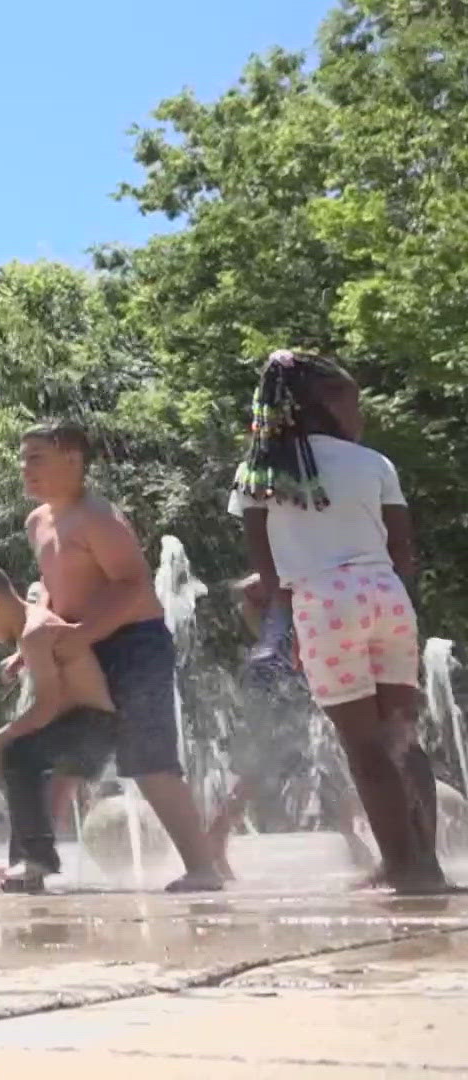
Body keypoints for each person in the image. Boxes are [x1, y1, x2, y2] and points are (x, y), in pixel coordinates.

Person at [227, 350, 446, 893]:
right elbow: (404, 553)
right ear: (317, 405)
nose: (360, 413)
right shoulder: (373, 463)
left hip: (323, 603)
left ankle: (399, 867)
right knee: (401, 737)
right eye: (351, 400)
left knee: (362, 745)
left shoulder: (259, 472)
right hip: (387, 596)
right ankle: (428, 865)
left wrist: (291, 623)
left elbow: (269, 572)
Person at [13, 420, 221, 892]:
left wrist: (83, 632)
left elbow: (133, 585)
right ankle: (34, 863)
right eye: (23, 459)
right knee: (53, 755)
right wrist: (33, 640)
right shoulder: (37, 522)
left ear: (74, 460)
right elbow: (52, 584)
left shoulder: (98, 518)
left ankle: (203, 868)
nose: (26, 469)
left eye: (37, 458)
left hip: (133, 645)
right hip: (79, 644)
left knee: (149, 760)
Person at [0, 562, 119, 894]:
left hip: (93, 728)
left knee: (17, 750)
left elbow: (46, 707)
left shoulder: (34, 632)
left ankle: (36, 859)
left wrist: (0, 735)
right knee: (20, 760)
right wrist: (22, 658)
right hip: (83, 726)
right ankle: (23, 865)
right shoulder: (34, 630)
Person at [210, 574, 373, 879]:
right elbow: (247, 587)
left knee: (332, 752)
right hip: (277, 675)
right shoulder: (293, 576)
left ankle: (351, 837)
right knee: (264, 765)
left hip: (299, 671)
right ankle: (215, 841)